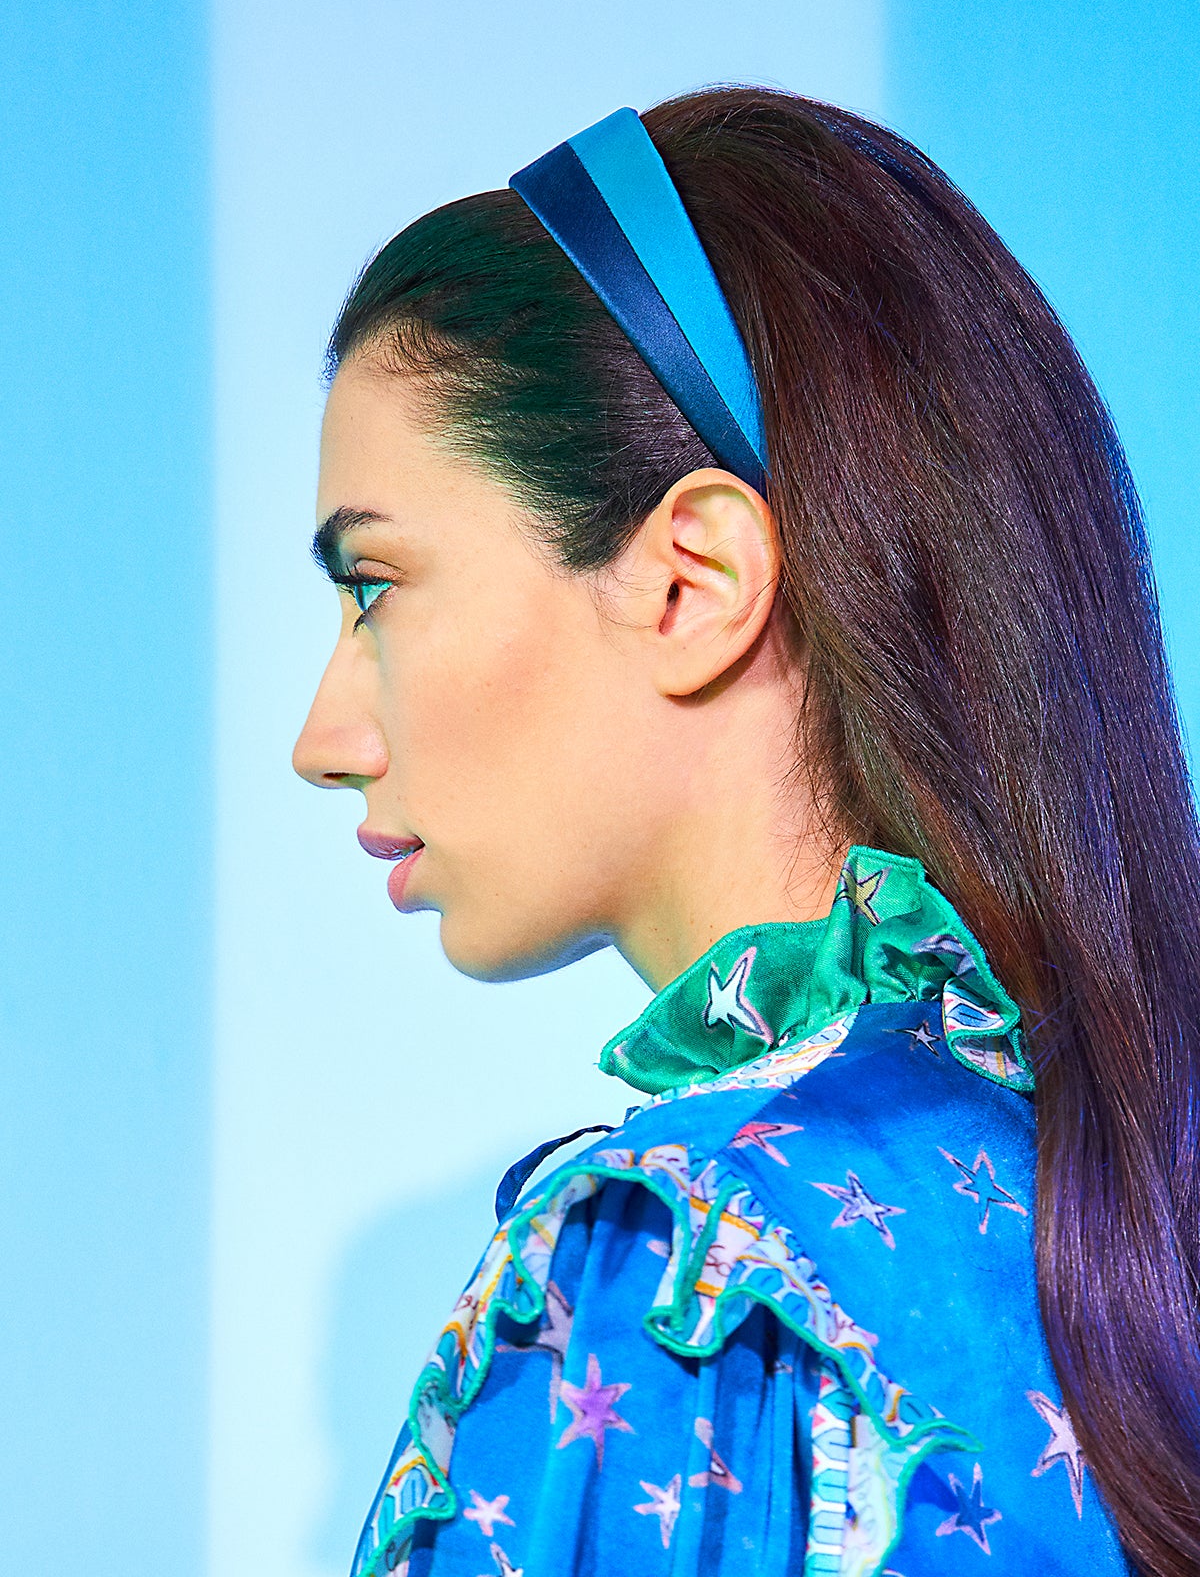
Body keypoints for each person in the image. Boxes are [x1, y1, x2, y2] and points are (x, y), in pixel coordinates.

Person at [292, 88, 1200, 1577]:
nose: (323, 742)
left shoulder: (677, 1281)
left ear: (691, 581)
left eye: (375, 587)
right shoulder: (1117, 1237)